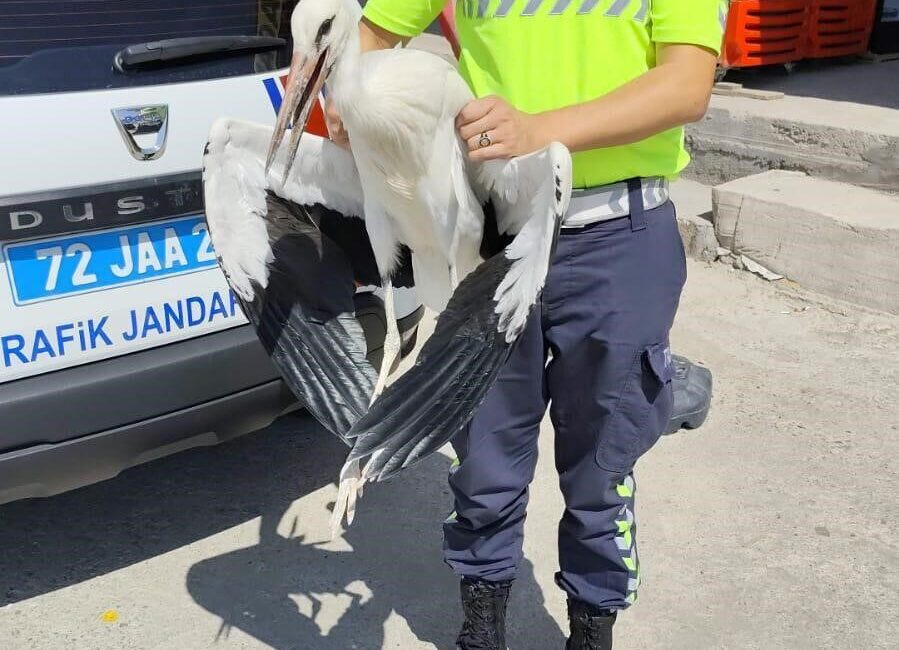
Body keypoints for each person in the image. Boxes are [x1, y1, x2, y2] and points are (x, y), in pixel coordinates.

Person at [327, 1, 724, 648]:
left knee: (601, 468)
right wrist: (352, 93)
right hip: (488, 234)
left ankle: (592, 630)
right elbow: (370, 32)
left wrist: (542, 129)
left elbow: (685, 84)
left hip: (616, 237)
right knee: (482, 461)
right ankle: (481, 629)